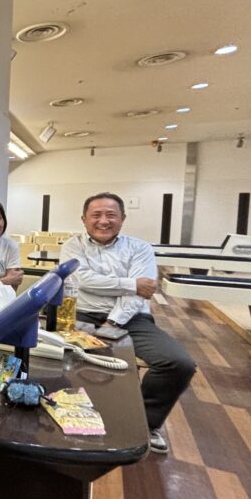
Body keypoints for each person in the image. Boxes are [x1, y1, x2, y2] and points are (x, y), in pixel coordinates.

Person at [59, 192, 197, 454]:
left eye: (111, 215)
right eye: (96, 215)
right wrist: (131, 283)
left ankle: (145, 424)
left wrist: (114, 321)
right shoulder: (72, 246)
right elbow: (83, 280)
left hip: (132, 318)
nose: (103, 221)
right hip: (82, 314)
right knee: (54, 355)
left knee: (178, 364)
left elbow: (140, 294)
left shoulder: (140, 248)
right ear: (84, 219)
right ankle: (71, 413)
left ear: (122, 218)